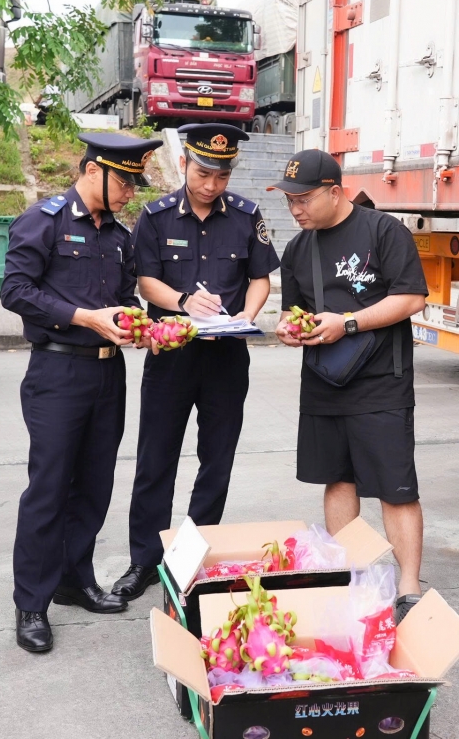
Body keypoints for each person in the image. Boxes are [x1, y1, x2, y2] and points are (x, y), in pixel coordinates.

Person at [1, 132, 162, 653]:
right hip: (57, 374)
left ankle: (75, 579)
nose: (129, 193)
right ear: (94, 170)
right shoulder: (43, 220)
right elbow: (15, 291)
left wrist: (134, 322)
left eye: (135, 184)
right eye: (124, 181)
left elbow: (121, 296)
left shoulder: (118, 235)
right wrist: (81, 317)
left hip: (106, 374)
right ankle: (31, 603)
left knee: (94, 484)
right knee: (49, 488)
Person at [112, 124, 280, 600]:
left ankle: (191, 559)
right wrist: (184, 301)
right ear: (185, 163)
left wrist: (246, 316)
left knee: (216, 462)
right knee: (155, 461)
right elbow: (147, 282)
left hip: (226, 358)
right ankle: (143, 560)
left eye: (222, 176)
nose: (211, 185)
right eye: (204, 173)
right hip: (172, 357)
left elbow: (259, 278)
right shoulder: (156, 216)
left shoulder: (247, 216)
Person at [272, 149, 429, 623]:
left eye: (303, 199)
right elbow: (290, 309)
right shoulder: (298, 249)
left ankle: (408, 587)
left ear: (334, 191)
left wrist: (350, 323)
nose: (295, 209)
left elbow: (412, 298)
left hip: (382, 381)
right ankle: (351, 576)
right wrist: (287, 328)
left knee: (395, 486)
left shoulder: (383, 231)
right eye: (288, 200)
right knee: (337, 479)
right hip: (323, 381)